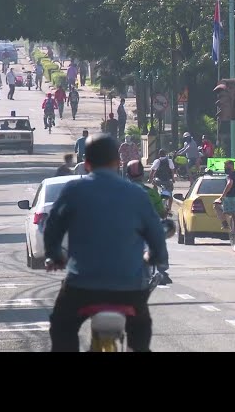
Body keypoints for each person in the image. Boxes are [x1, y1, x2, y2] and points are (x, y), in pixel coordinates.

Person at [44, 134, 169, 352]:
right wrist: (157, 257)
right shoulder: (137, 194)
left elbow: (52, 227)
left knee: (61, 327)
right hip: (129, 288)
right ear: (118, 163)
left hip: (82, 286)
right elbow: (156, 233)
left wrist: (54, 255)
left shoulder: (74, 191)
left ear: (87, 164)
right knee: (141, 330)